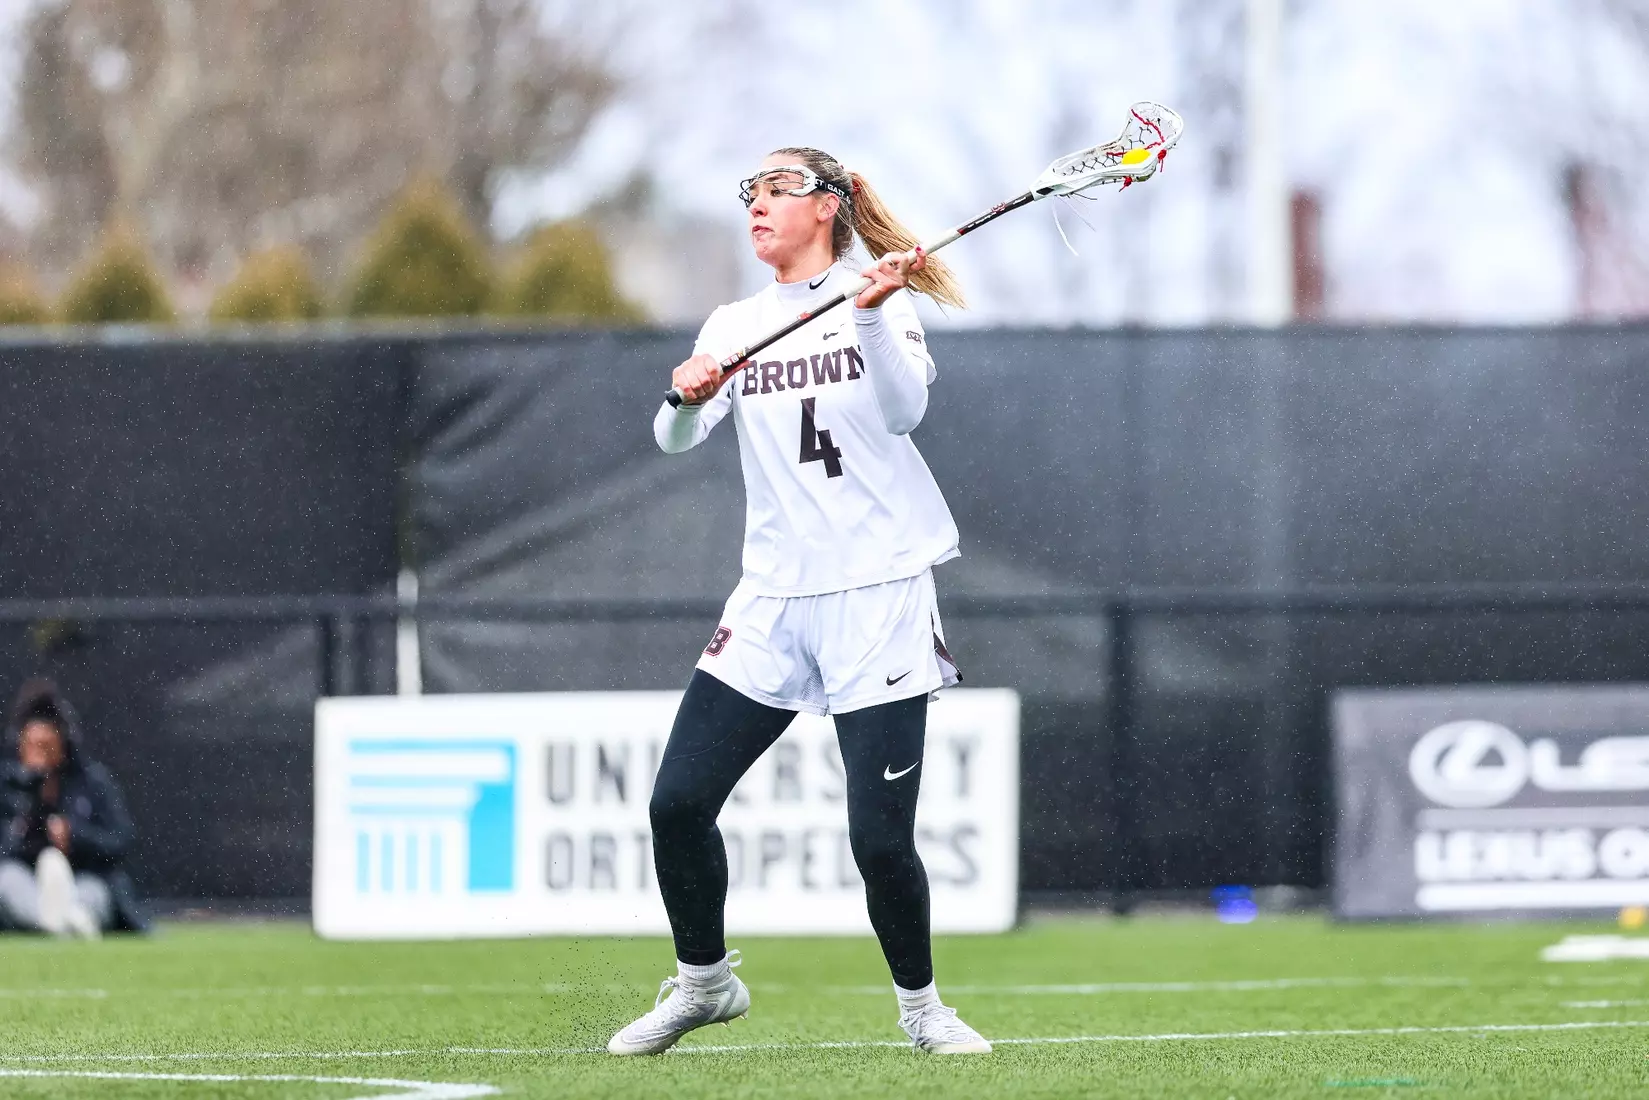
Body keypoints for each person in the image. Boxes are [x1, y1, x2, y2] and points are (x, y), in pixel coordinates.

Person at [608, 149, 989, 1056]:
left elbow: (901, 414)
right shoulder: (736, 320)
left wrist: (868, 315)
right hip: (773, 599)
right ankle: (704, 985)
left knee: (879, 841)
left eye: (776, 189)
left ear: (826, 206)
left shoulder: (878, 295)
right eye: (749, 192)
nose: (756, 206)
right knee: (676, 804)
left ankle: (922, 1012)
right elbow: (674, 439)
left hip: (879, 593)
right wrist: (683, 389)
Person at [0, 679, 147, 936]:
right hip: (25, 882)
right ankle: (51, 922)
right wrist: (24, 828)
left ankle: (73, 918)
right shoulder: (7, 787)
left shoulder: (92, 782)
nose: (39, 756)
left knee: (93, 892)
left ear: (63, 745)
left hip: (81, 877)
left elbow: (121, 840)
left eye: (46, 746)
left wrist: (74, 837)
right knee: (8, 880)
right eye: (32, 746)